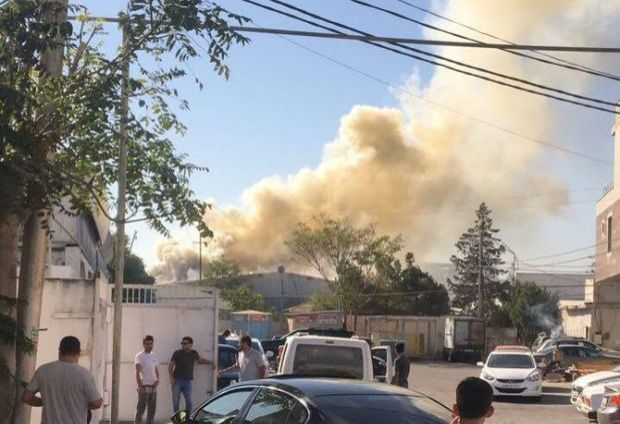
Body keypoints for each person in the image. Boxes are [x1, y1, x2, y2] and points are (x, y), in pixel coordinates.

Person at [21, 336, 103, 424]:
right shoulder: (84, 374)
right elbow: (96, 403)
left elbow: (26, 397)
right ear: (79, 352)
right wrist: (80, 404)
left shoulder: (43, 370)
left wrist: (45, 402)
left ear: (59, 350)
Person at [169, 336, 213, 413]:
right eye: (182, 343)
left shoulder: (194, 353)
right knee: (176, 403)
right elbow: (171, 365)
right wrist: (171, 378)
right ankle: (176, 419)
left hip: (187, 381)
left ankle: (186, 418)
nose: (183, 345)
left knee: (189, 402)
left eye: (185, 343)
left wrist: (211, 363)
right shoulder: (177, 353)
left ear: (190, 344)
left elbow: (200, 360)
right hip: (177, 380)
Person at [135, 335, 159, 424]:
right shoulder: (139, 356)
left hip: (153, 387)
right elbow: (138, 372)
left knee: (152, 411)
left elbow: (156, 370)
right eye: (147, 344)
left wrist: (158, 379)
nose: (149, 346)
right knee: (140, 410)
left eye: (151, 344)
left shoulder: (154, 356)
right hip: (144, 387)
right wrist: (140, 386)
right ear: (143, 344)